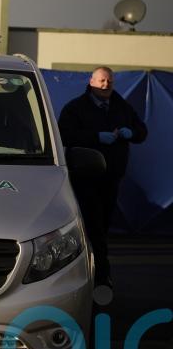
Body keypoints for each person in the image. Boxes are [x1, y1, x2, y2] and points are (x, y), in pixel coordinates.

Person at [58, 66, 147, 289]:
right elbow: (64, 134)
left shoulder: (122, 107)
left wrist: (131, 133)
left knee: (102, 225)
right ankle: (100, 275)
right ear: (91, 82)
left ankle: (95, 268)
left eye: (109, 81)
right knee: (92, 225)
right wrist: (95, 137)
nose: (105, 85)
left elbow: (142, 131)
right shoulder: (76, 108)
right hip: (85, 177)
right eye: (101, 81)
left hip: (111, 178)